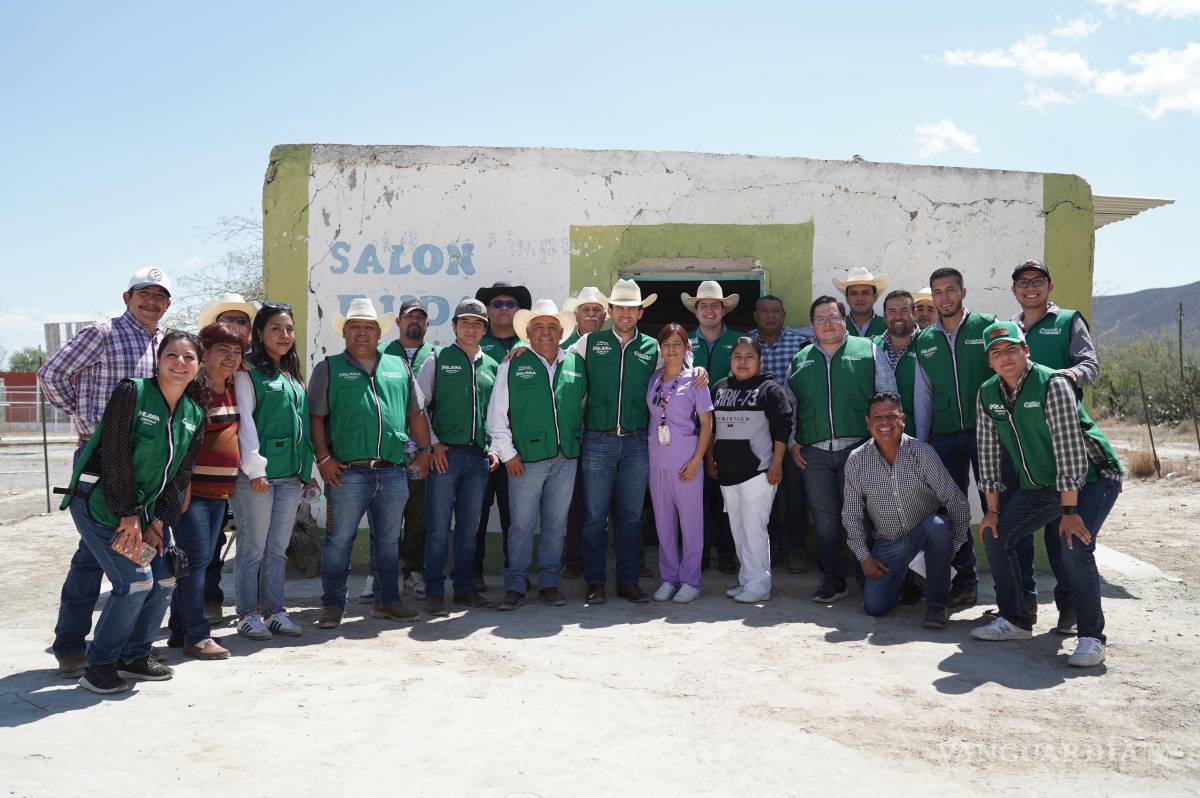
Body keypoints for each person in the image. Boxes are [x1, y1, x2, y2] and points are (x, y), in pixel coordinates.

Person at [38, 266, 171, 678]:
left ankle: (99, 645)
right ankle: (74, 649)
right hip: (100, 463)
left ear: (168, 304)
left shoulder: (162, 343)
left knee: (93, 556)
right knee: (98, 560)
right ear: (126, 297)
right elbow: (51, 374)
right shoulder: (103, 333)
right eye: (142, 294)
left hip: (139, 466)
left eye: (159, 296)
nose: (151, 302)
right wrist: (86, 420)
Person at [57, 331, 206, 694]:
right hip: (100, 506)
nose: (180, 363)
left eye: (188, 357)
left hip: (144, 516)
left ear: (199, 366)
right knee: (136, 581)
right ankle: (100, 666)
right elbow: (115, 455)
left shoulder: (194, 413)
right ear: (158, 360)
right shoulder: (133, 392)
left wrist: (158, 524)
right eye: (172, 355)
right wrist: (128, 517)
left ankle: (134, 656)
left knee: (165, 578)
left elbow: (180, 476)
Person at [971, 321, 1123, 668]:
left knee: (1074, 544)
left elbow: (1070, 451)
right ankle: (1015, 620)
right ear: (989, 361)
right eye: (996, 352)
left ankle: (1090, 637)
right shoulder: (988, 393)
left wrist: (1069, 513)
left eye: (1012, 349)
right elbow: (988, 454)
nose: (1005, 357)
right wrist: (992, 510)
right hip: (1043, 485)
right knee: (996, 534)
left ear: (1026, 351)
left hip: (1092, 478)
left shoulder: (1052, 384)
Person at [310, 298, 432, 628]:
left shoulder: (398, 366)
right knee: (339, 541)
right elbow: (316, 417)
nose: (362, 333)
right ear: (345, 333)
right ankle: (333, 605)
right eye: (355, 327)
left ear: (379, 332)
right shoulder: (329, 367)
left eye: (368, 327)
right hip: (347, 473)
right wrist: (323, 458)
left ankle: (386, 601)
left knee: (389, 541)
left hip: (392, 471)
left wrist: (424, 451)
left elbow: (415, 413)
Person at [1009, 258, 1102, 634]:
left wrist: (1061, 376)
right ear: (1014, 290)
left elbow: (1090, 367)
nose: (1030, 287)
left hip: (1060, 441)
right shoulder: (1010, 328)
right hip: (1020, 443)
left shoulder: (1068, 322)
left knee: (1059, 529)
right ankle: (1024, 603)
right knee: (1020, 527)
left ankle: (1069, 609)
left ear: (1050, 285)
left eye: (1037, 281)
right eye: (1023, 282)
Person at [787, 296, 897, 604]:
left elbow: (889, 398)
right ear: (812, 325)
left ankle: (869, 579)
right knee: (825, 519)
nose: (827, 323)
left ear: (844, 319)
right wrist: (795, 441)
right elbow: (791, 405)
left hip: (860, 449)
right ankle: (834, 579)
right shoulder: (802, 358)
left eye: (833, 317)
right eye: (820, 319)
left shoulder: (869, 351)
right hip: (815, 453)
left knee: (864, 516)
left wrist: (885, 444)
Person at [487, 300, 587, 610]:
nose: (546, 333)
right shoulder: (511, 363)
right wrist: (508, 454)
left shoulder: (575, 363)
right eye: (539, 327)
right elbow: (496, 414)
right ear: (527, 334)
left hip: (566, 458)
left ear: (562, 333)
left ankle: (549, 584)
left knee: (556, 525)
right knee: (521, 525)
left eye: (552, 328)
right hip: (524, 460)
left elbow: (581, 406)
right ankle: (515, 585)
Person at [567, 279, 661, 604]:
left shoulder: (652, 348)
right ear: (610, 311)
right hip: (598, 441)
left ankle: (628, 581)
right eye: (619, 307)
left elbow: (676, 373)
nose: (624, 313)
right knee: (594, 517)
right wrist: (521, 350)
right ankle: (595, 582)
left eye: (631, 308)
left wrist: (698, 371)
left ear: (640, 312)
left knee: (631, 517)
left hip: (636, 443)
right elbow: (554, 361)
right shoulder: (590, 342)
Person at [842, 392, 970, 628]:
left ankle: (936, 606)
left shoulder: (922, 453)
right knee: (875, 607)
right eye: (877, 417)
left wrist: (954, 545)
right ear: (868, 423)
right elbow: (851, 514)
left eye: (891, 416)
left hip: (925, 538)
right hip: (888, 543)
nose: (884, 423)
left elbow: (956, 501)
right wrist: (864, 557)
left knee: (937, 527)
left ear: (903, 419)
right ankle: (908, 580)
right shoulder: (857, 460)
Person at [912, 267, 997, 607]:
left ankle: (1014, 593)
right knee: (953, 510)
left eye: (950, 290)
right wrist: (920, 441)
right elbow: (924, 394)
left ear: (963, 292)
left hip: (988, 433)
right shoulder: (925, 341)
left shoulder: (987, 327)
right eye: (938, 291)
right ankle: (966, 582)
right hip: (946, 436)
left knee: (997, 507)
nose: (944, 297)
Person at [230, 302, 315, 641]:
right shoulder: (247, 371)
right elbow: (245, 422)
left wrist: (306, 470)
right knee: (253, 548)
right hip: (258, 477)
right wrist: (255, 469)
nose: (284, 335)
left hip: (290, 475)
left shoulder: (291, 374)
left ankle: (275, 611)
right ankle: (247, 614)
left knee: (277, 548)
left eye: (289, 329)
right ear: (260, 333)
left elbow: (302, 426)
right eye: (276, 328)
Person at [165, 322, 246, 660]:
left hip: (219, 492)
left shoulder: (233, 388)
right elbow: (180, 445)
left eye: (237, 351)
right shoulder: (193, 392)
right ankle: (197, 636)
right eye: (222, 350)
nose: (230, 357)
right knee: (196, 563)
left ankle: (178, 629)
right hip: (193, 493)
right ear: (205, 353)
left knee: (195, 562)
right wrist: (181, 488)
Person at [417, 299, 500, 616]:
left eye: (477, 323)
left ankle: (464, 589)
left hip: (478, 459)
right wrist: (433, 444)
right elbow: (419, 407)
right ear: (453, 327)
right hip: (445, 456)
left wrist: (493, 446)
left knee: (469, 529)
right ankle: (434, 592)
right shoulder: (437, 359)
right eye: (464, 322)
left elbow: (496, 414)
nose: (470, 328)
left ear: (484, 329)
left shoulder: (492, 366)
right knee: (438, 529)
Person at [357, 299, 437, 603]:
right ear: (399, 322)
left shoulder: (437, 356)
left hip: (418, 451)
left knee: (418, 514)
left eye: (420, 317)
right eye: (409, 316)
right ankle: (376, 574)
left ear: (427, 324)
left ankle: (412, 571)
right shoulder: (380, 355)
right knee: (382, 515)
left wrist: (429, 447)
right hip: (386, 450)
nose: (414, 321)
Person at [707, 338, 790, 603]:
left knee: (755, 529)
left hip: (759, 472)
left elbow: (782, 427)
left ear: (760, 361)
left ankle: (760, 584)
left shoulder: (770, 389)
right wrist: (711, 459)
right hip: (727, 473)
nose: (743, 362)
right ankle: (746, 580)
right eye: (737, 356)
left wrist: (776, 462)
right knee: (738, 529)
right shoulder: (719, 388)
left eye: (749, 357)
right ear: (731, 360)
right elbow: (711, 428)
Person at [195, 292, 257, 622]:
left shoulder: (247, 372)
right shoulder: (195, 380)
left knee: (219, 542)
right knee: (203, 548)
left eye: (242, 321)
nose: (235, 326)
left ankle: (207, 603)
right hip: (196, 488)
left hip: (236, 478)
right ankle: (198, 610)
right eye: (228, 320)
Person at [647, 324, 714, 603]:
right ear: (660, 349)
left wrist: (697, 460)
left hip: (686, 460)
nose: (671, 349)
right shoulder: (654, 379)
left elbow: (707, 423)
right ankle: (669, 577)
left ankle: (691, 580)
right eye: (666, 344)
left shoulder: (696, 380)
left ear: (687, 348)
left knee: (690, 524)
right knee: (663, 524)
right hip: (657, 460)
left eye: (677, 344)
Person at [473, 281, 532, 590]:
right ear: (488, 310)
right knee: (477, 513)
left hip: (517, 448)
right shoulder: (475, 345)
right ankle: (473, 574)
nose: (504, 309)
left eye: (511, 304)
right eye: (497, 304)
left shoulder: (531, 345)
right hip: (481, 446)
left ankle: (516, 574)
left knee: (515, 516)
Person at [683, 281, 743, 574]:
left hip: (731, 430)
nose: (709, 310)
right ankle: (700, 553)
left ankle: (728, 553)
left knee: (727, 494)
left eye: (714, 305)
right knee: (696, 496)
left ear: (723, 310)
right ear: (696, 312)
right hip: (690, 431)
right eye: (703, 305)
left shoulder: (740, 342)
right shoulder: (682, 343)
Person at [750, 294, 812, 576]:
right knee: (765, 494)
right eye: (764, 311)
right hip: (758, 433)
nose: (771, 316)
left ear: (784, 314)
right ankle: (770, 548)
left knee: (796, 493)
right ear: (756, 315)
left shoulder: (801, 342)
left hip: (794, 432)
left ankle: (796, 549)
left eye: (776, 311)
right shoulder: (746, 344)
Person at [560, 286, 609, 579]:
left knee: (617, 499)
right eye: (585, 310)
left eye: (596, 310)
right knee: (576, 499)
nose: (591, 314)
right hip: (575, 434)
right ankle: (574, 559)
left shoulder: (612, 343)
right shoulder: (563, 346)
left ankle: (633, 559)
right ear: (576, 315)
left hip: (609, 431)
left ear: (605, 316)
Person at [874, 290, 920, 436]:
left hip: (921, 434)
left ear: (915, 313)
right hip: (881, 436)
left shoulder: (928, 344)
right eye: (892, 311)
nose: (898, 316)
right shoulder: (873, 347)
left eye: (904, 310)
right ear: (885, 315)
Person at [835, 267, 888, 338]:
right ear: (847, 298)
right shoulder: (837, 326)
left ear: (875, 297)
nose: (859, 298)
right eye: (854, 293)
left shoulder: (888, 326)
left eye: (865, 293)